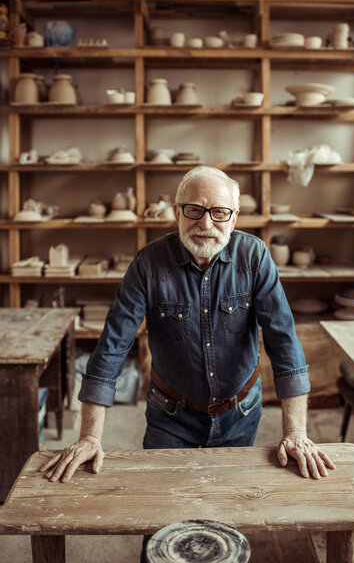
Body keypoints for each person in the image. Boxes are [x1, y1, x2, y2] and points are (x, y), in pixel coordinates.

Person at [41, 166, 335, 483]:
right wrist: (90, 437)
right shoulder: (147, 264)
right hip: (170, 415)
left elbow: (284, 343)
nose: (206, 224)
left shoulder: (254, 258)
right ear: (177, 212)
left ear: (234, 218)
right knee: (163, 511)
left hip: (241, 413)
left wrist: (296, 433)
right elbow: (112, 347)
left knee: (228, 509)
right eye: (194, 210)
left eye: (219, 213)